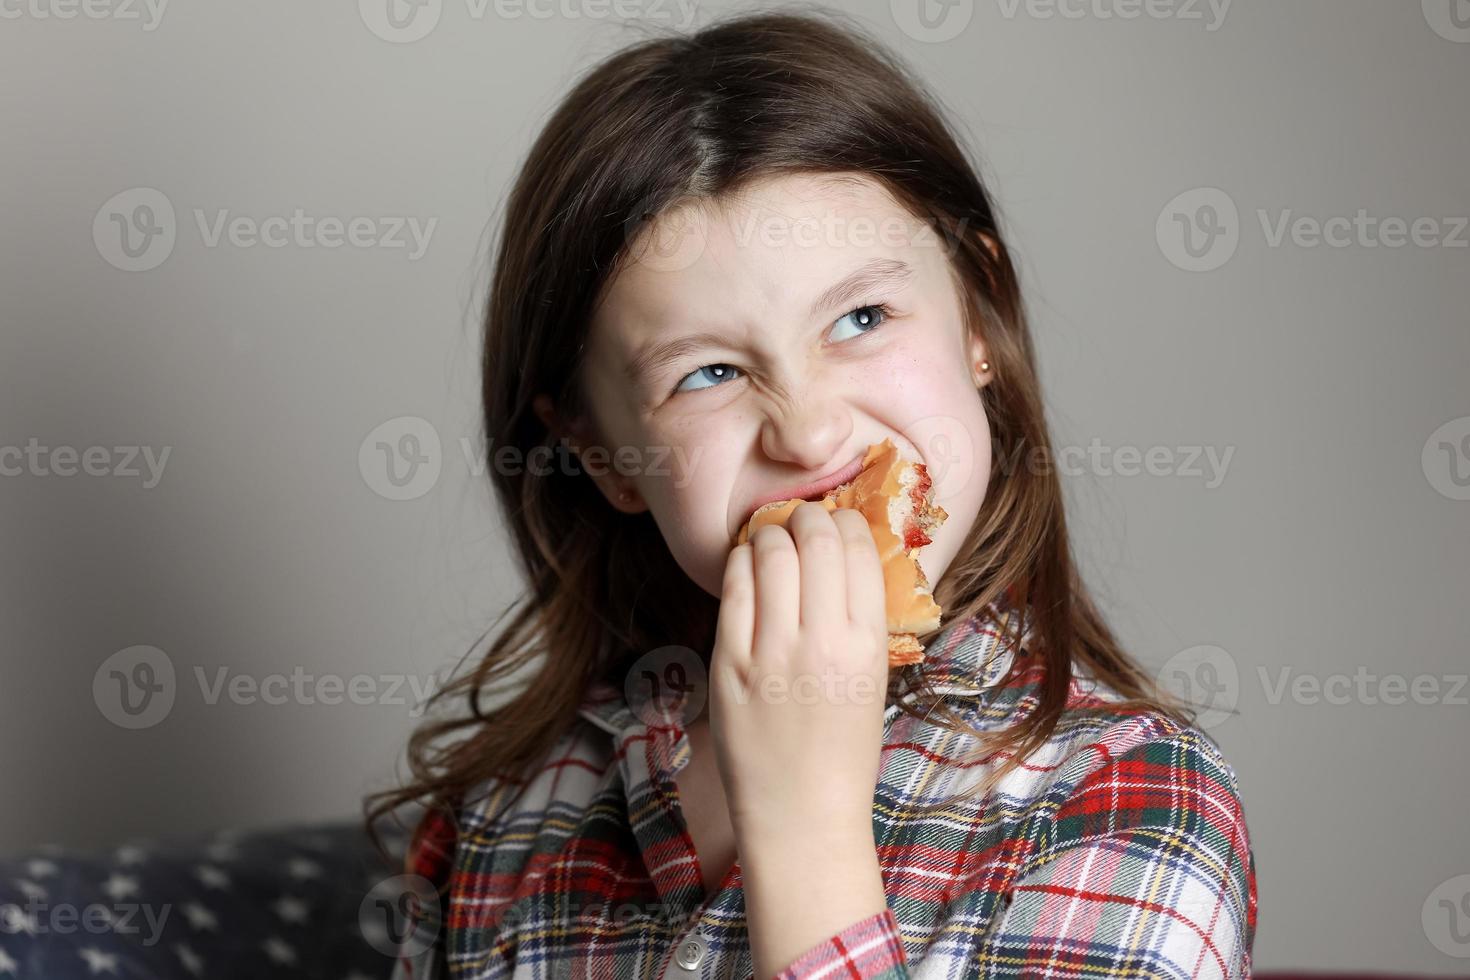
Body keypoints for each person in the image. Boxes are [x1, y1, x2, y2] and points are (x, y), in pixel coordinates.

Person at [364, 8, 1257, 978]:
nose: (811, 431)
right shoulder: (502, 818)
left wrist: (805, 830)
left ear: (977, 320)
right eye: (707, 373)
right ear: (603, 452)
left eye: (862, 316)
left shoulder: (1126, 795)